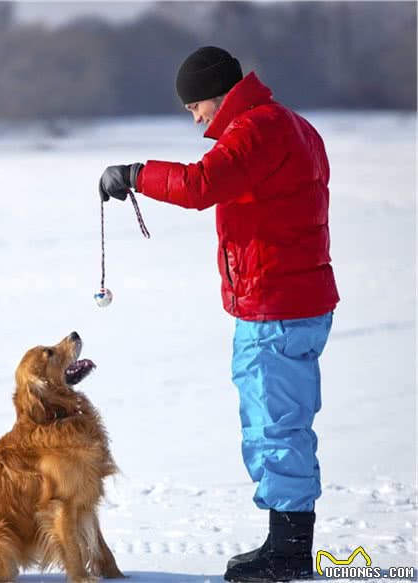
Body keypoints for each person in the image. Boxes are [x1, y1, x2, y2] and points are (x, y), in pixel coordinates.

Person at [98, 46, 339, 582]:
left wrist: (136, 174)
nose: (196, 118)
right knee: (281, 424)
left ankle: (290, 553)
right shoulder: (293, 125)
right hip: (294, 299)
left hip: (274, 305)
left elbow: (201, 185)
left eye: (194, 107)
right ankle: (288, 542)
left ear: (214, 92)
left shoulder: (257, 130)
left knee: (275, 428)